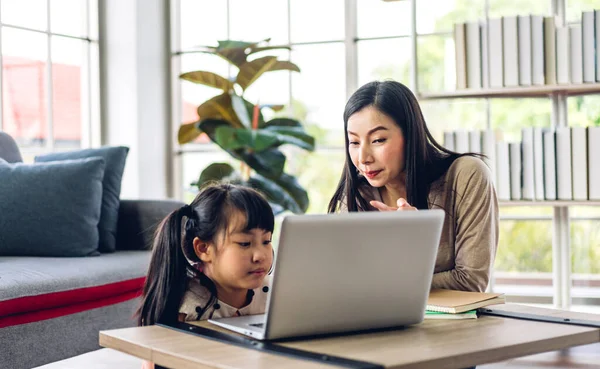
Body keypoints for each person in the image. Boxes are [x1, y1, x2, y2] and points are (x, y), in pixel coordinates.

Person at [328, 80, 499, 293]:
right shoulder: (358, 192)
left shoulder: (466, 175)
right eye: (354, 142)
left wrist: (417, 241)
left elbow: (471, 280)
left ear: (410, 135)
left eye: (378, 140)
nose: (363, 158)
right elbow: (349, 280)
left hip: (453, 324)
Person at [137, 183, 275, 369]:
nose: (260, 255)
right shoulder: (185, 309)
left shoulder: (273, 295)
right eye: (244, 243)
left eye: (266, 241)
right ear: (203, 249)